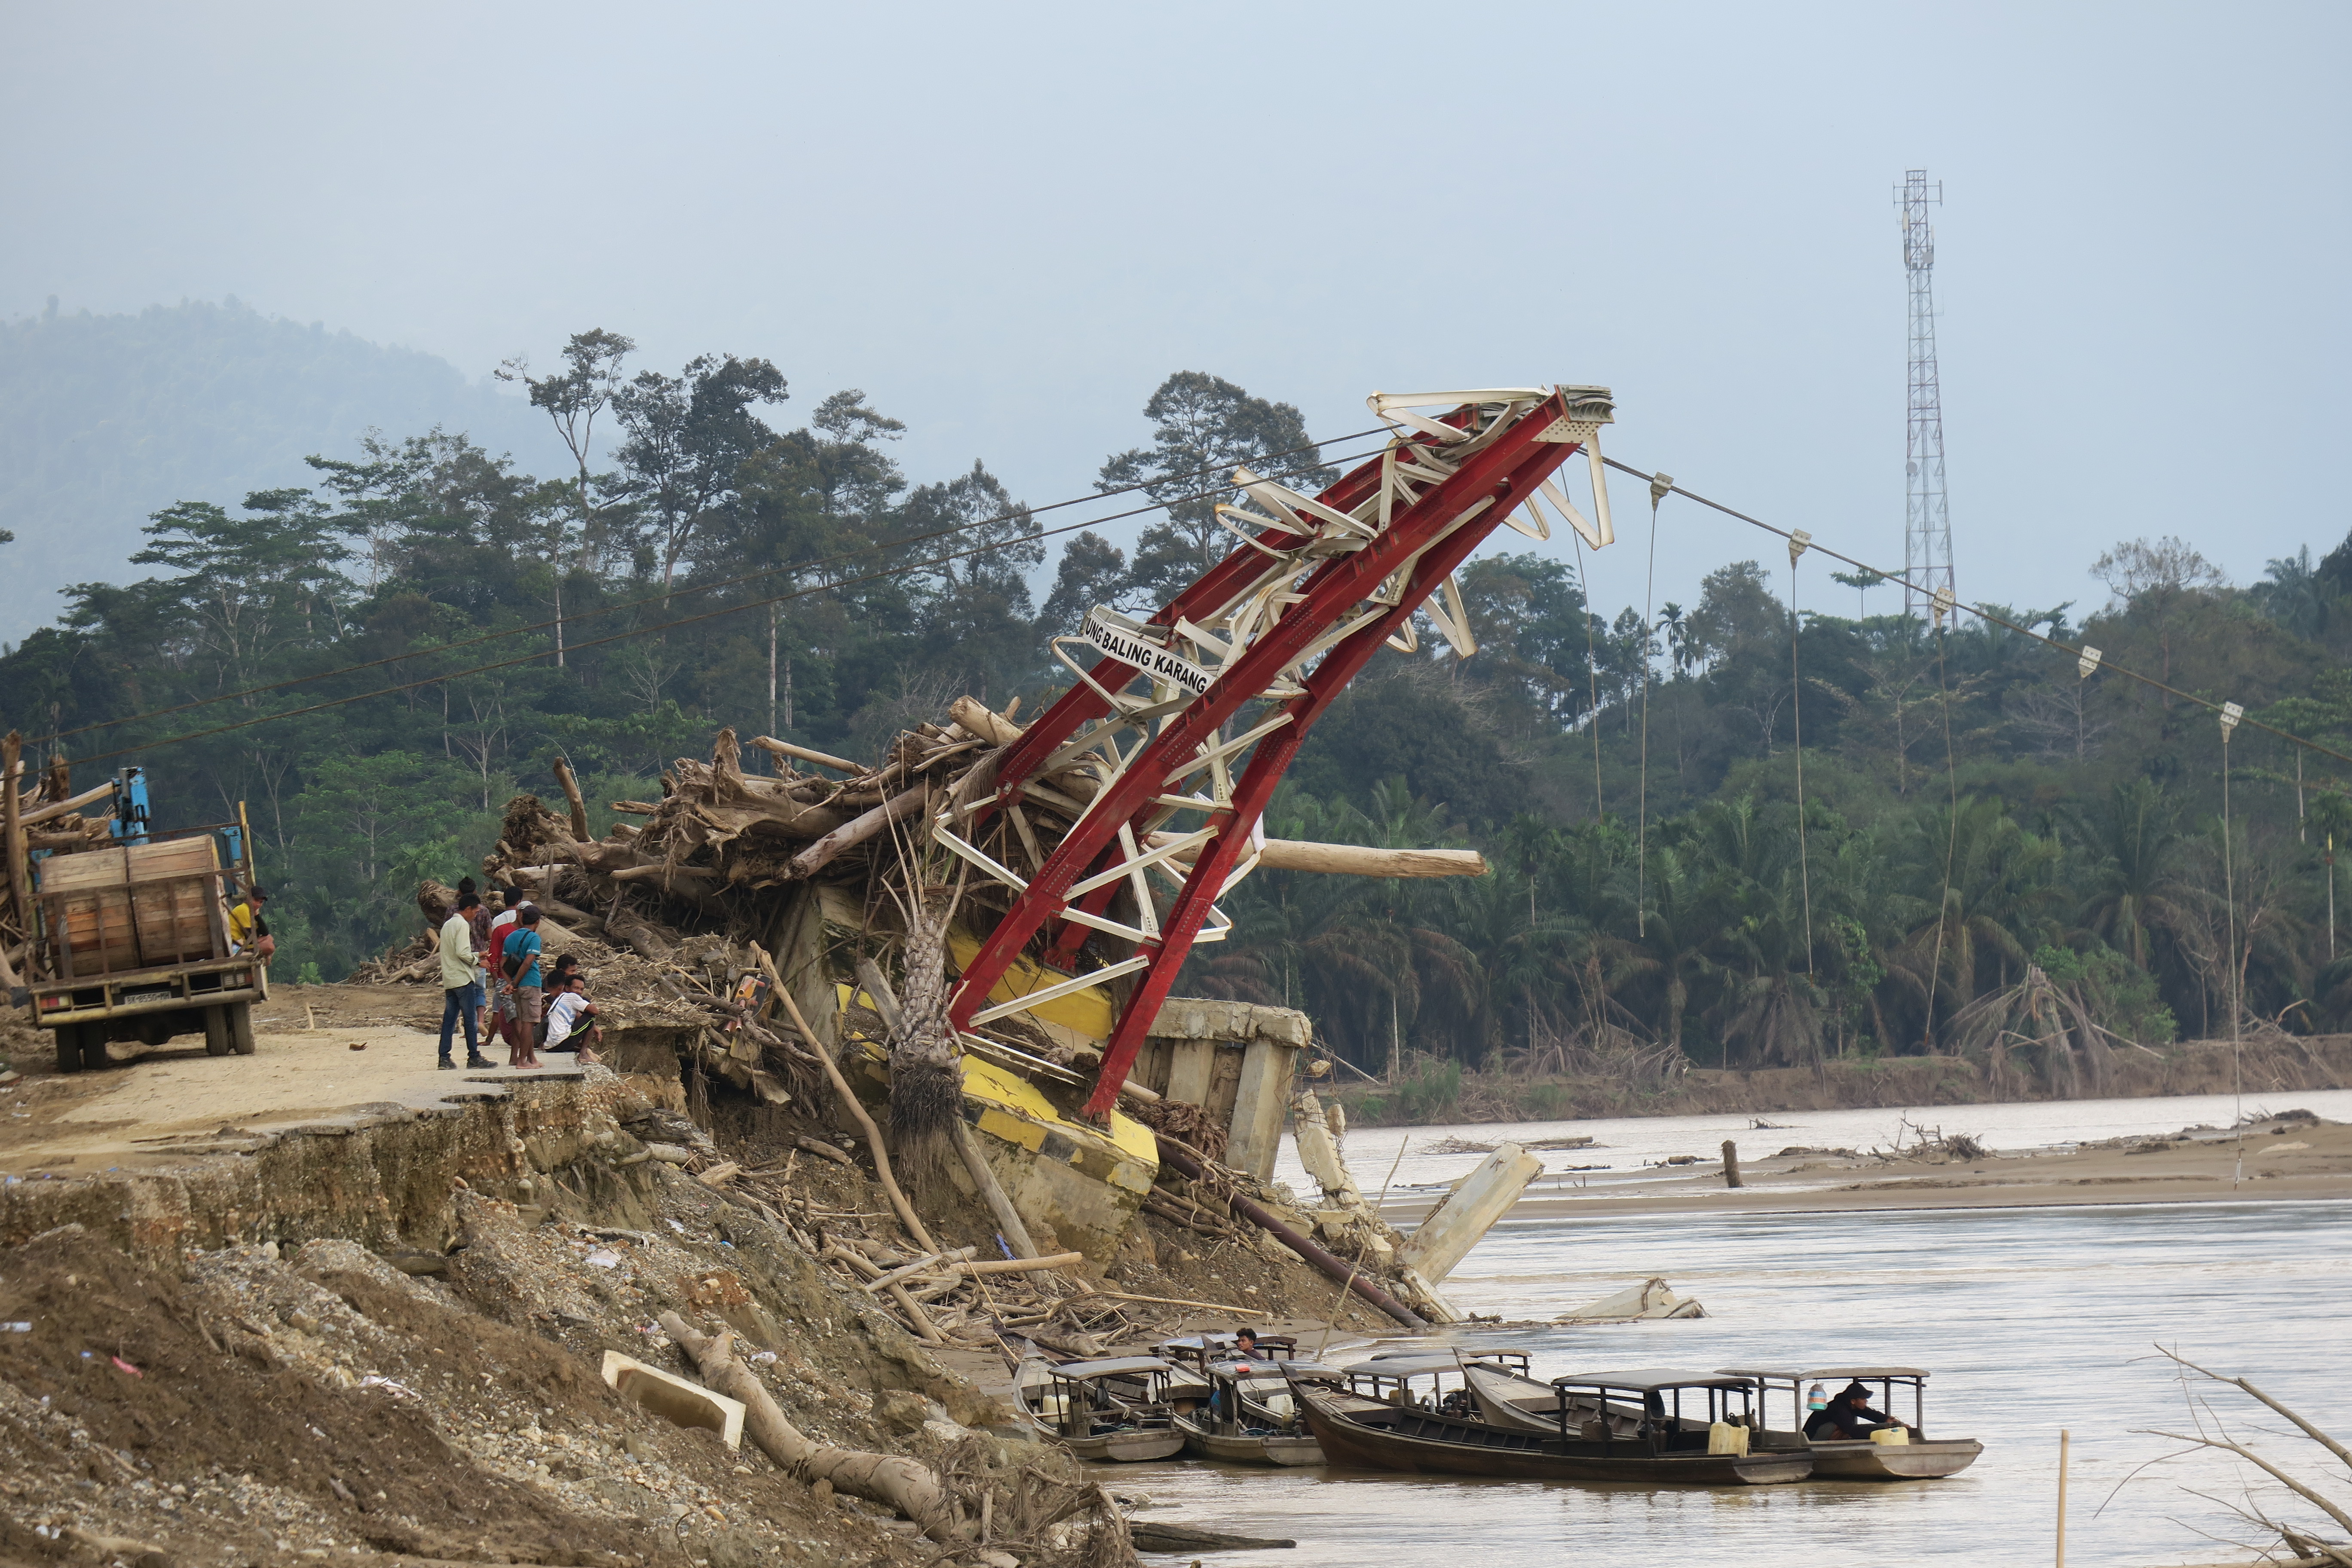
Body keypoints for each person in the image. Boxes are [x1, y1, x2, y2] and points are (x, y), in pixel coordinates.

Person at [436, 893, 493, 1070]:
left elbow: (455, 952)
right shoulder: (462, 924)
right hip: (462, 978)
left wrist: (477, 954)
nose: (476, 915)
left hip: (450, 979)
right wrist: (478, 961)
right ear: (468, 909)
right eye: (475, 912)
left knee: (450, 1020)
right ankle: (474, 1057)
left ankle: (444, 1058)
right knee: (470, 1018)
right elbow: (462, 953)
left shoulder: (447, 925)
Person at [499, 906, 546, 1069]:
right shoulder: (534, 938)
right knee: (529, 1023)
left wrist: (511, 983)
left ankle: (532, 1059)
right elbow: (528, 962)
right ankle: (522, 1061)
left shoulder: (511, 937)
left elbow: (503, 964)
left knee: (525, 1021)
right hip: (530, 983)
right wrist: (515, 983)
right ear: (538, 922)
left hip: (517, 987)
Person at [541, 972, 603, 1066]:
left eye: (581, 989)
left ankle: (585, 1051)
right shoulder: (571, 997)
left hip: (550, 1047)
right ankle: (583, 1054)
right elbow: (595, 1011)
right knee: (590, 1017)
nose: (579, 992)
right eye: (576, 988)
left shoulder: (560, 997)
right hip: (561, 1042)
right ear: (567, 988)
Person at [1806, 1381, 1897, 1441]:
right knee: (1845, 1429)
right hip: (1812, 1438)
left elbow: (1868, 1413)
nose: (1866, 1401)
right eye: (1863, 1399)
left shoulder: (1850, 1405)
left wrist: (1886, 1420)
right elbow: (1853, 1431)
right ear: (1853, 1401)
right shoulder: (1839, 1409)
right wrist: (1881, 1432)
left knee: (1849, 1430)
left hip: (1823, 1433)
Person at [227, 885, 276, 962]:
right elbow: (250, 938)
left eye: (261, 902)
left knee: (269, 938)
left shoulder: (250, 912)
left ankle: (268, 956)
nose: (258, 904)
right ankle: (268, 957)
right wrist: (262, 940)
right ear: (249, 898)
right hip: (234, 946)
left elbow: (265, 932)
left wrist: (257, 915)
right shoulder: (243, 909)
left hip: (241, 943)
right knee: (270, 947)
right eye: (256, 901)